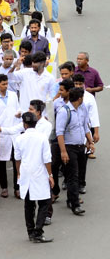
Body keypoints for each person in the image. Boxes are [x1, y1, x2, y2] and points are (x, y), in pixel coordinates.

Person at [14, 112, 54, 243]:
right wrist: (50, 175)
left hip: (26, 173)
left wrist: (19, 173)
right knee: (44, 202)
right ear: (36, 123)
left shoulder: (19, 139)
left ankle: (30, 232)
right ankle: (38, 231)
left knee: (29, 204)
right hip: (40, 173)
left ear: (24, 124)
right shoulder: (42, 138)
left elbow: (17, 159)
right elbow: (47, 159)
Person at [56, 87, 95, 215]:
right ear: (79, 98)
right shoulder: (64, 112)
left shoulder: (82, 109)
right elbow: (59, 133)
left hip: (80, 147)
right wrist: (63, 151)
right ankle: (75, 204)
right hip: (69, 147)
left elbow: (85, 127)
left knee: (79, 174)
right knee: (73, 176)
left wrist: (90, 142)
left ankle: (70, 199)